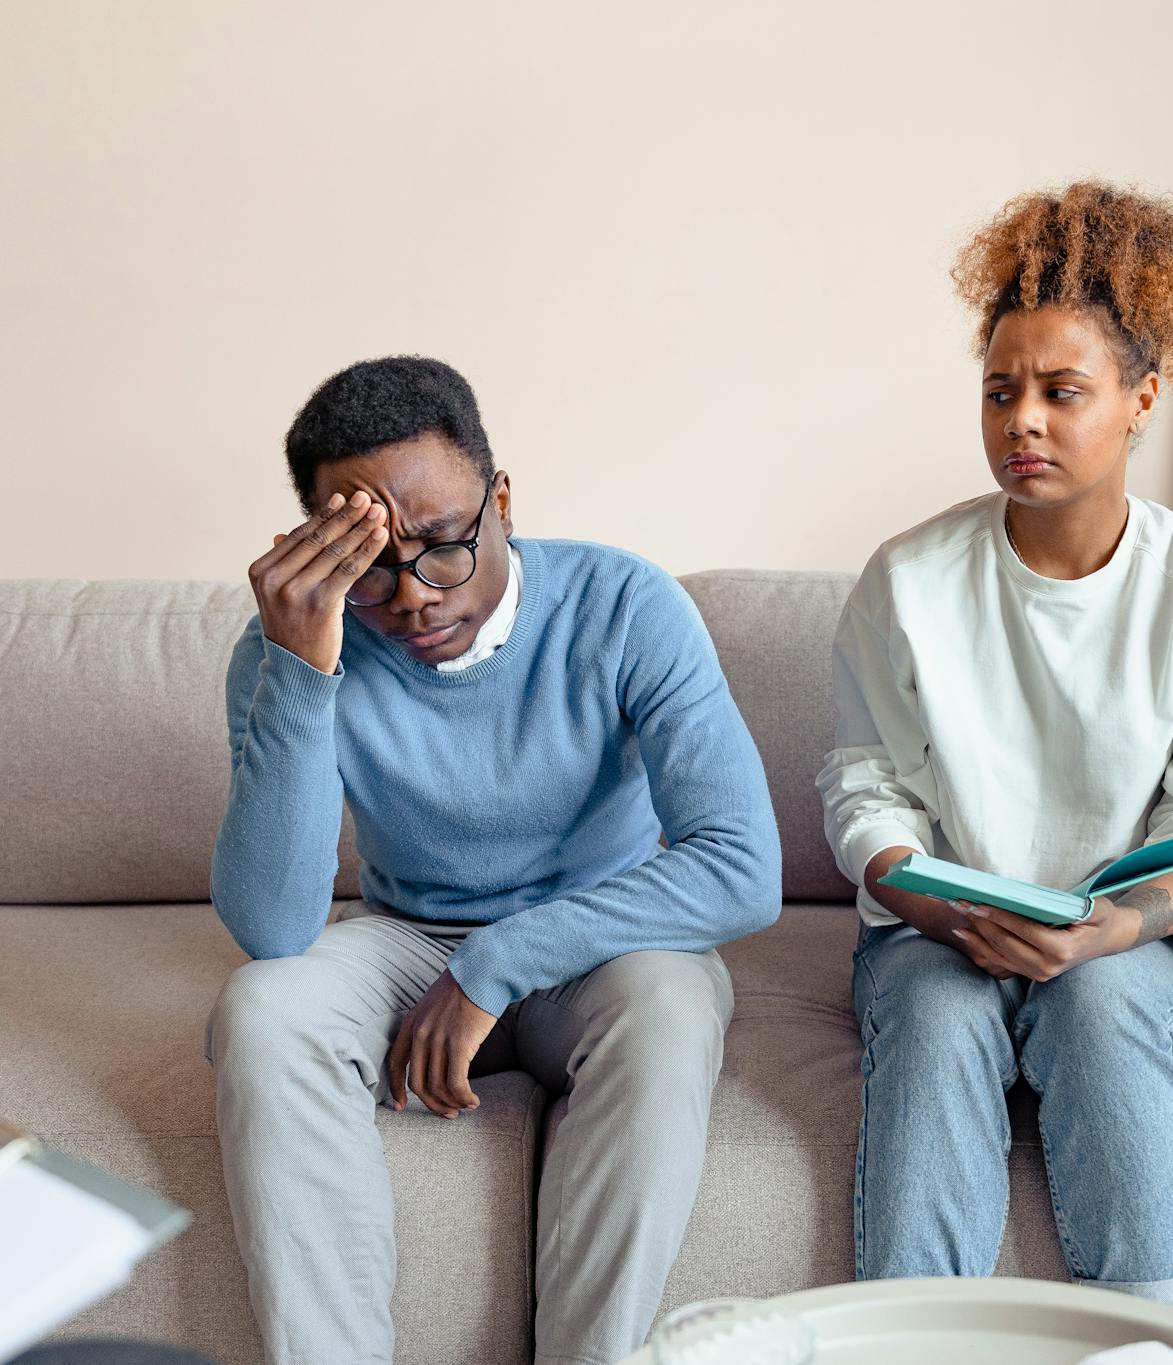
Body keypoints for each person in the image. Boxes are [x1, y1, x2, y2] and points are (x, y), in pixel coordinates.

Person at [203, 356, 782, 1365]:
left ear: (501, 501)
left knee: (669, 1009)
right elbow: (272, 928)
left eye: (441, 546)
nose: (414, 597)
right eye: (371, 564)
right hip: (404, 937)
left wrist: (495, 964)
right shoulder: (287, 653)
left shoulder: (624, 605)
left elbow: (738, 867)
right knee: (261, 1008)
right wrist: (302, 669)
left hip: (603, 943)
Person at [816, 180, 1173, 1306]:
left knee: (1098, 1005)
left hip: (1122, 943)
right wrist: (921, 898)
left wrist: (1115, 926)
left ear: (1140, 397)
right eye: (997, 391)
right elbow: (864, 785)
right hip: (931, 932)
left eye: (1058, 391)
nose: (1018, 419)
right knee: (933, 1019)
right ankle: (911, 1338)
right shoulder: (907, 579)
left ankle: (1148, 1339)